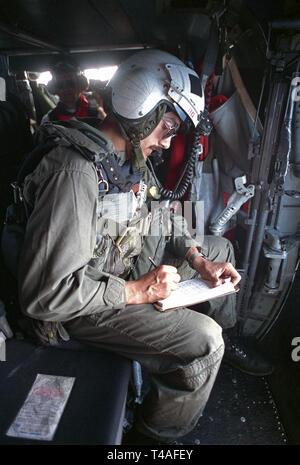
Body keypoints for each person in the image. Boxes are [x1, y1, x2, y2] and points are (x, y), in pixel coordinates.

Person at [17, 49, 265, 445]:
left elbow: (164, 214)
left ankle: (227, 338)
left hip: (122, 267)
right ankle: (155, 438)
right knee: (205, 344)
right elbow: (46, 296)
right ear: (141, 106)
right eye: (167, 126)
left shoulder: (127, 156)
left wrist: (198, 261)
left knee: (221, 252)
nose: (167, 143)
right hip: (81, 310)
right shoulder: (75, 173)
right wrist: (139, 291)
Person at [41, 58, 103, 123]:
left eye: (71, 83)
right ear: (54, 88)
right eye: (59, 85)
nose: (66, 88)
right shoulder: (49, 119)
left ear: (81, 84)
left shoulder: (97, 114)